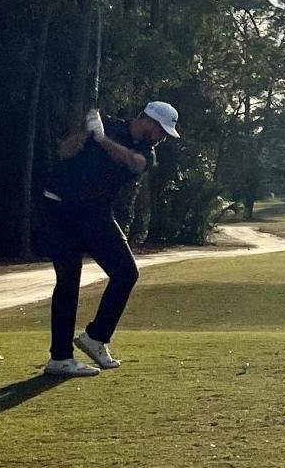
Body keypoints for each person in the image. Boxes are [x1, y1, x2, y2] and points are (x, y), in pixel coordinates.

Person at [41, 101, 179, 377]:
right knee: (68, 281)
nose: (162, 138)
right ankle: (60, 358)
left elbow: (133, 163)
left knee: (126, 273)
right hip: (60, 209)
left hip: (95, 214)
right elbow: (64, 152)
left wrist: (102, 140)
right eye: (161, 131)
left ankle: (95, 337)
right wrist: (86, 132)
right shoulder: (108, 124)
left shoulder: (144, 151)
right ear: (149, 122)